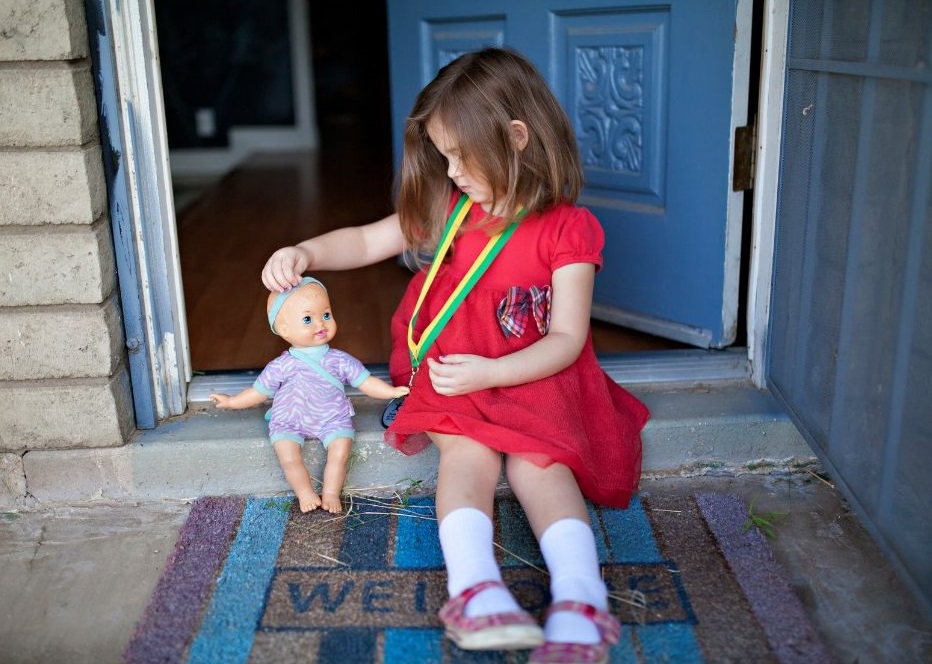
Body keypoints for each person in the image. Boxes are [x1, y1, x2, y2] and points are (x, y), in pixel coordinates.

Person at [262, 47, 649, 661]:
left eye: (462, 157)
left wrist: (496, 371)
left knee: (538, 462)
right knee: (466, 455)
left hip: (531, 371)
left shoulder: (568, 229)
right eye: (444, 156)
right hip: (452, 368)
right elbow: (367, 238)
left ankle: (582, 599)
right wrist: (305, 253)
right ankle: (476, 591)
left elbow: (568, 339)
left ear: (517, 138)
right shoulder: (449, 209)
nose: (452, 170)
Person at [209, 277, 409, 514]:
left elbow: (364, 381)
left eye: (326, 315)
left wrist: (391, 392)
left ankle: (331, 492)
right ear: (283, 329)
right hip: (290, 417)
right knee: (289, 457)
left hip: (332, 415)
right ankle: (304, 492)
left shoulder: (338, 360)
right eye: (307, 319)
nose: (320, 324)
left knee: (340, 452)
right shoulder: (282, 365)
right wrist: (231, 401)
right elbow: (258, 392)